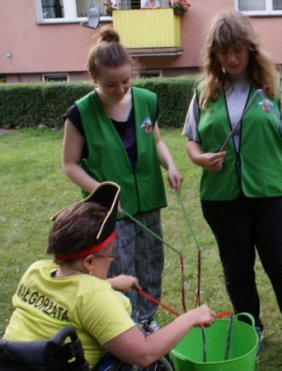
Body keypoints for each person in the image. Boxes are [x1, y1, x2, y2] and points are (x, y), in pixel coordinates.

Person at [182, 10, 282, 357]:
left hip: (270, 192)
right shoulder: (204, 92)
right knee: (237, 268)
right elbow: (191, 139)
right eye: (224, 51)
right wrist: (199, 159)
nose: (232, 58)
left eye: (238, 49)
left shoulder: (273, 86)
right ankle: (249, 326)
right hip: (222, 197)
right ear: (215, 54)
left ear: (251, 50)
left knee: (280, 264)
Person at [2, 182, 215, 369]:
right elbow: (144, 353)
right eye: (111, 253)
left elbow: (70, 295)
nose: (113, 258)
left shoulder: (36, 271)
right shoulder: (95, 297)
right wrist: (191, 317)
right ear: (89, 262)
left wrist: (111, 282)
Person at [61, 26, 183, 334]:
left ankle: (146, 318)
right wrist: (104, 195)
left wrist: (169, 164)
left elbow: (155, 142)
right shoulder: (80, 114)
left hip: (148, 199)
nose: (121, 89)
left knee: (152, 261)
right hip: (109, 210)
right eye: (111, 85)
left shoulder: (145, 101)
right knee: (119, 265)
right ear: (94, 80)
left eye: (126, 81)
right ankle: (123, 324)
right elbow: (70, 165)